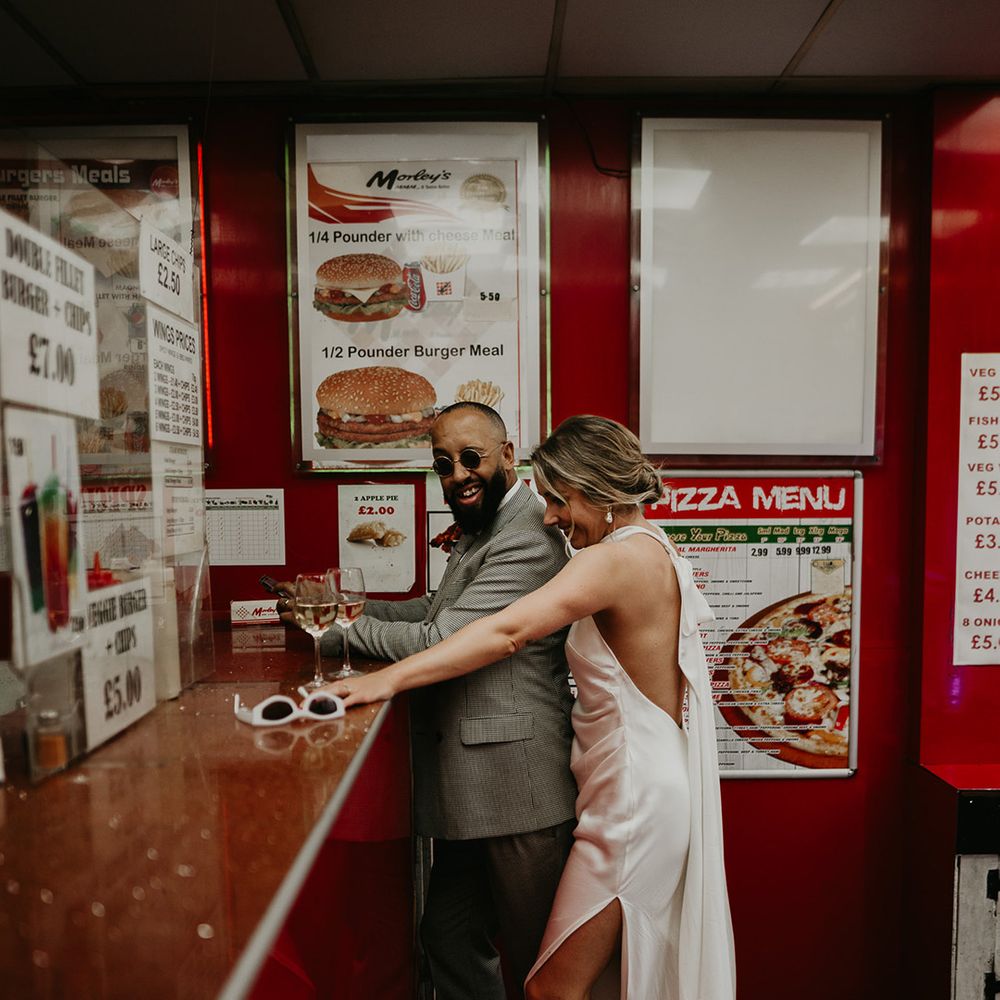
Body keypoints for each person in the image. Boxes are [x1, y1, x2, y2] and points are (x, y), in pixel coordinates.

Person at [322, 415, 736, 1000]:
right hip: (625, 786)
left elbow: (506, 631)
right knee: (593, 978)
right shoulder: (647, 546)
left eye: (556, 501)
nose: (548, 518)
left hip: (635, 802)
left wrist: (384, 682)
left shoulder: (614, 560)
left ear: (593, 489)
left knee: (554, 988)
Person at [285, 402, 578, 1000]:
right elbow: (432, 610)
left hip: (517, 789)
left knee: (538, 960)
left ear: (506, 454)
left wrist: (336, 629)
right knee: (446, 935)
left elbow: (445, 639)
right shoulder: (487, 528)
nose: (458, 475)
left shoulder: (527, 536)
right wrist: (350, 610)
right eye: (443, 464)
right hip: (476, 788)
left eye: (471, 458)